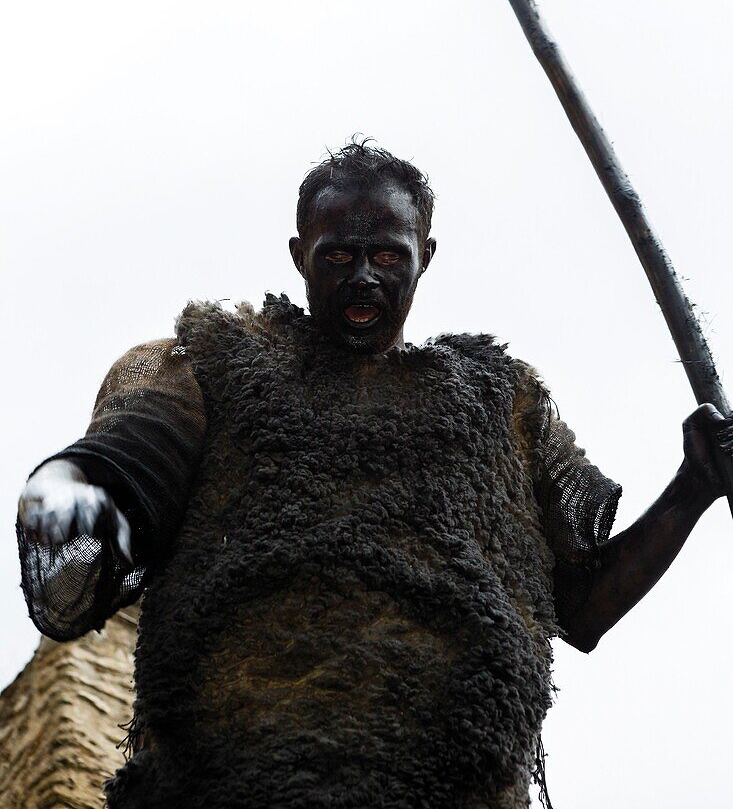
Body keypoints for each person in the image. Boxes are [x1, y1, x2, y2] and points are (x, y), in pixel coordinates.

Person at [16, 141, 733, 809]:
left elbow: (580, 607)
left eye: (387, 257)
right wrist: (86, 490)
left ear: (426, 254)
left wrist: (692, 488)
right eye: (339, 257)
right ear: (300, 256)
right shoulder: (214, 363)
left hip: (459, 788)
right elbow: (138, 452)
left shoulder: (503, 401)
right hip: (232, 780)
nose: (363, 278)